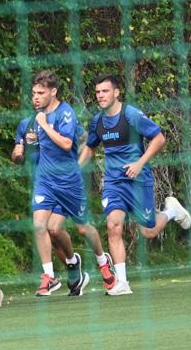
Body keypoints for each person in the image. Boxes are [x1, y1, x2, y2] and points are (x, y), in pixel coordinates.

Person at [79, 74, 191, 295]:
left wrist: (140, 163)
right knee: (113, 225)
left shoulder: (131, 114)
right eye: (98, 92)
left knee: (148, 231)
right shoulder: (97, 121)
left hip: (138, 180)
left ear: (116, 92)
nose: (100, 95)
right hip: (113, 182)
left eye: (105, 91)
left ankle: (170, 211)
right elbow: (91, 147)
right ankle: (122, 282)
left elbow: (159, 138)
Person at [13, 100, 116, 293]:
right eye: (33, 93)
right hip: (45, 185)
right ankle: (63, 269)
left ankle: (103, 260)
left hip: (68, 184)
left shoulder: (62, 118)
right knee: (49, 229)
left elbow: (87, 141)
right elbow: (17, 157)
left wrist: (76, 166)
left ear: (51, 94)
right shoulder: (25, 125)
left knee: (83, 229)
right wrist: (17, 155)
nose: (35, 98)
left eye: (40, 93)